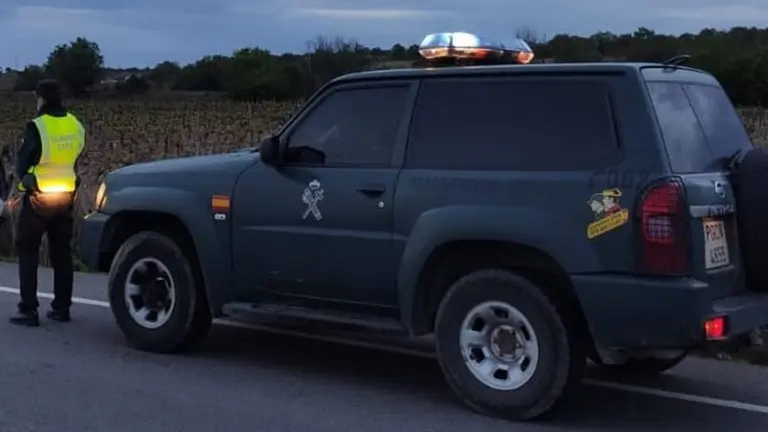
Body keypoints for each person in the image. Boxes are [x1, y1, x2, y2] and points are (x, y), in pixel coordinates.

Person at [9, 79, 85, 327]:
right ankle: (62, 308)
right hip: (65, 197)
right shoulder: (75, 125)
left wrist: (26, 178)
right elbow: (75, 157)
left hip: (39, 198)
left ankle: (28, 310)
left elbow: (22, 164)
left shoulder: (37, 127)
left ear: (41, 99)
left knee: (27, 249)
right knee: (61, 252)